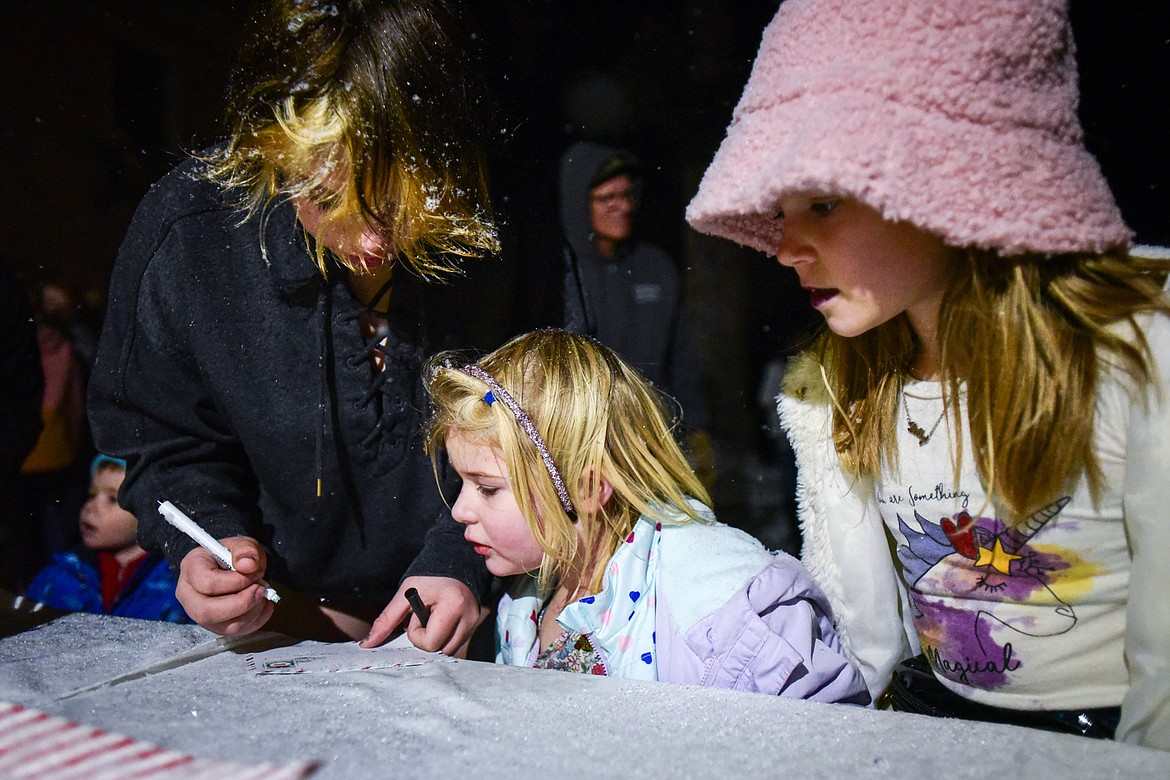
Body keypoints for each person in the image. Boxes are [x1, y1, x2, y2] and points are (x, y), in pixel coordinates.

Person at [686, 0, 1169, 749]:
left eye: (822, 202)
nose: (786, 246)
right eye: (782, 210)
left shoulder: (1136, 358)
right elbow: (866, 635)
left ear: (952, 183)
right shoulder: (841, 389)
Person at [89, 0, 500, 648]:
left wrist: (459, 565)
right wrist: (208, 539)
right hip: (278, 625)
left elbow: (547, 430)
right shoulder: (194, 232)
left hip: (481, 614)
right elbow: (161, 439)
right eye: (329, 198)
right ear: (276, 151)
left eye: (396, 202)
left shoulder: (505, 235)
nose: (367, 239)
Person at [384, 328, 867, 700]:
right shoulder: (528, 593)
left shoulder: (729, 610)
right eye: (462, 483)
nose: (460, 509)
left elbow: (825, 743)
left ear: (590, 487)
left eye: (488, 488)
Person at [560, 142, 710, 437]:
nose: (624, 206)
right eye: (608, 198)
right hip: (581, 436)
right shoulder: (561, 271)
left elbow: (681, 357)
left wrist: (697, 428)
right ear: (579, 202)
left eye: (627, 195)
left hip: (651, 434)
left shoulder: (654, 267)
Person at [26, 455, 188, 623]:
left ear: (152, 514)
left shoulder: (175, 584)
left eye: (112, 499)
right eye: (92, 494)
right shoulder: (59, 575)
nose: (91, 507)